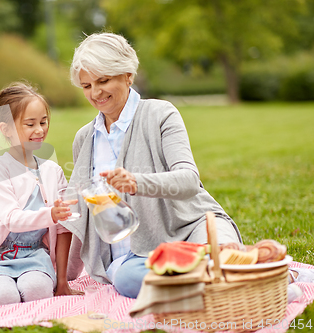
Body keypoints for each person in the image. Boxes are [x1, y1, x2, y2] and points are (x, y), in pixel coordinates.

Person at [61, 32, 243, 298]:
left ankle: (224, 282)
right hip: (136, 256)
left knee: (226, 256)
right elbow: (83, 213)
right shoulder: (84, 139)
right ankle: (218, 287)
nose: (95, 92)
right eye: (87, 86)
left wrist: (136, 182)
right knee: (126, 279)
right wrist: (63, 278)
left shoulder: (161, 114)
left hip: (192, 228)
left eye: (103, 80)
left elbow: (189, 181)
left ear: (128, 76)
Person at [0, 82, 80, 307]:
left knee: (38, 293)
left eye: (43, 122)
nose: (40, 130)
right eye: (30, 124)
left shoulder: (53, 171)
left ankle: (39, 280)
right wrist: (52, 214)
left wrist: (62, 281)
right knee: (4, 298)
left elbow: (64, 228)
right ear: (6, 129)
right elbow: (12, 220)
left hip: (35, 257)